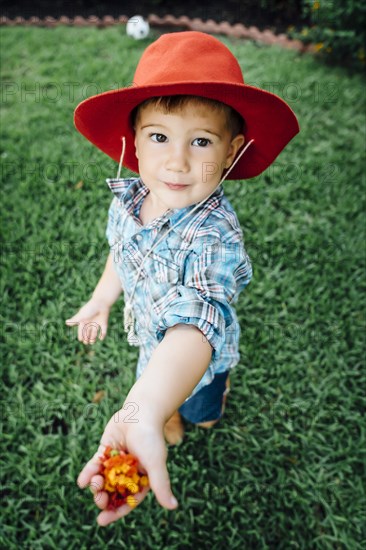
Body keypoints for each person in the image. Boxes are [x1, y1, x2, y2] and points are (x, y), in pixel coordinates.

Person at [66, 31, 299, 525]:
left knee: (201, 409)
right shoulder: (129, 201)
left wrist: (141, 410)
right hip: (151, 346)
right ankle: (165, 408)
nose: (176, 160)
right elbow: (121, 256)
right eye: (159, 137)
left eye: (200, 140)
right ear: (133, 140)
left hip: (198, 357)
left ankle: (194, 404)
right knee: (162, 397)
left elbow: (196, 323)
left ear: (233, 150)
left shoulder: (213, 237)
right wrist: (101, 299)